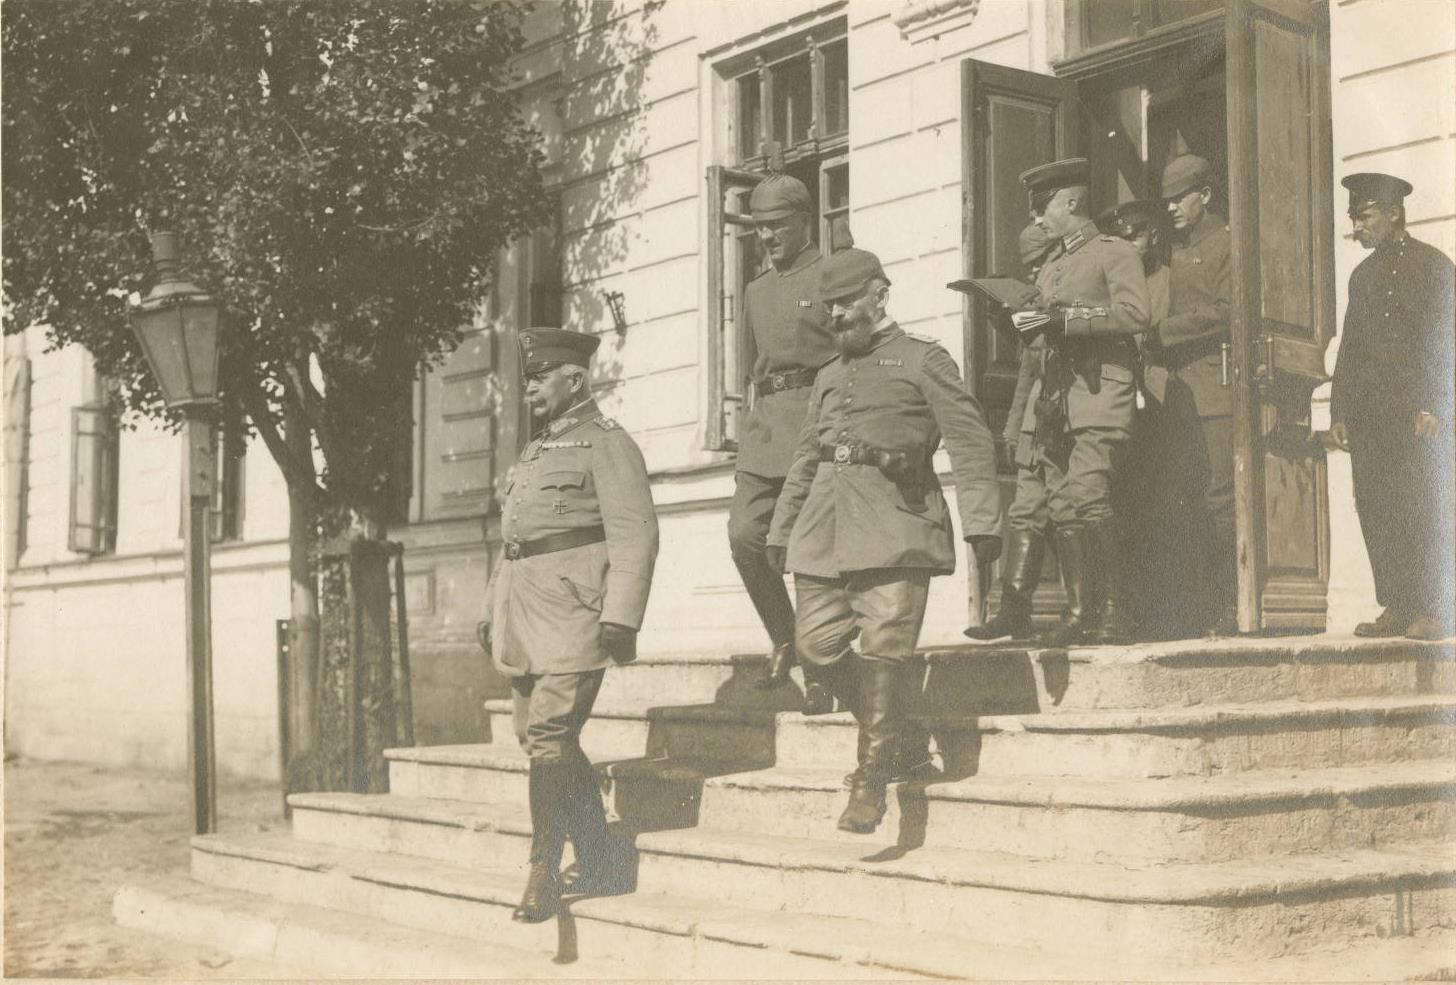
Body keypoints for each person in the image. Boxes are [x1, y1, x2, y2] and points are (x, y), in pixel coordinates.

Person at [765, 247, 1001, 834]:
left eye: (845, 302)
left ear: (879, 293)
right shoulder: (827, 374)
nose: (836, 315)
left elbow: (970, 443)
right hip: (825, 526)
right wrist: (782, 526)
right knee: (816, 647)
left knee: (885, 651)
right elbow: (805, 457)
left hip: (898, 522)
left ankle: (870, 779)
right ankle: (898, 734)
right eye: (829, 306)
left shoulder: (925, 361)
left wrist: (984, 522)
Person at [476, 328, 659, 923]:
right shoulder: (537, 450)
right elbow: (515, 542)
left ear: (574, 378)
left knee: (551, 736)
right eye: (528, 376)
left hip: (576, 611)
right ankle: (601, 854)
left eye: (539, 376)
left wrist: (621, 615)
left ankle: (543, 870)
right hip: (525, 611)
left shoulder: (608, 444)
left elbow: (637, 533)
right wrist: (491, 605)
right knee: (537, 738)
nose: (528, 385)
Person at [1009, 158, 1151, 647]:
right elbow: (1045, 321)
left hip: (1098, 392)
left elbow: (1136, 313)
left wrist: (1063, 320)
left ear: (1069, 202)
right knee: (1069, 503)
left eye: (1043, 207)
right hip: (1060, 399)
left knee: (1091, 495)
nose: (1037, 219)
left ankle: (1117, 610)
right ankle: (1083, 613)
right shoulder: (1052, 264)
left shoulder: (1113, 252)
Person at [1329, 172, 1455, 641]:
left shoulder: (1434, 266)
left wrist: (1434, 405)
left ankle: (1434, 607)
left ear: (1393, 213)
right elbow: (1351, 348)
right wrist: (1339, 412)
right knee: (1377, 508)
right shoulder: (1362, 276)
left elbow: (1445, 342)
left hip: (1416, 415)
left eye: (1363, 217)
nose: (1356, 227)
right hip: (1370, 417)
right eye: (1353, 218)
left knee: (1421, 505)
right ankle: (1398, 606)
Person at [727, 174, 837, 705]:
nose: (767, 237)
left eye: (776, 226)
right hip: (766, 427)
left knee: (811, 547)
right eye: (759, 228)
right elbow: (751, 368)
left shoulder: (830, 275)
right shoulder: (754, 290)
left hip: (816, 425)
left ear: (803, 220)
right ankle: (784, 634)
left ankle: (819, 664)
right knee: (745, 536)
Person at [1146, 153, 1236, 637]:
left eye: (1180, 198)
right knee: (1183, 500)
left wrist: (1163, 332)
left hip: (1215, 390)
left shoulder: (1228, 242)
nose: (1172, 209)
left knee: (1220, 497)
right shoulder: (1171, 253)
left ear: (1204, 195)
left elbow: (1225, 311)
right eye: (1167, 201)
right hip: (1174, 393)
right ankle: (1191, 608)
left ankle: (1232, 603)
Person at [961, 223, 1058, 642]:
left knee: (1075, 514)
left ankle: (1086, 611)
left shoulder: (1062, 302)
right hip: (1039, 428)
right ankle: (1013, 611)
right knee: (1025, 512)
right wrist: (1015, 430)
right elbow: (1026, 378)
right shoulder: (1036, 310)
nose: (1036, 273)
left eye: (1041, 263)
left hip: (1069, 425)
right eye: (1031, 267)